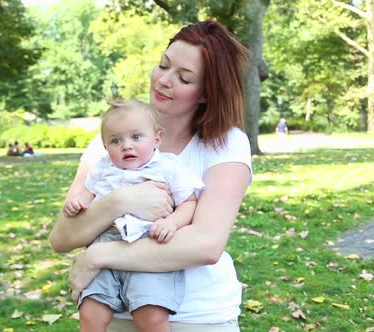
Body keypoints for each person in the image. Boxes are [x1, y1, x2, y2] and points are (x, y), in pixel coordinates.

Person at [49, 19, 252, 331]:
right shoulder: (111, 142)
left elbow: (205, 244)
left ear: (205, 94)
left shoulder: (225, 143)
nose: (164, 80)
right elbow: (62, 237)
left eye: (184, 78)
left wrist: (97, 255)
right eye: (163, 65)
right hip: (114, 314)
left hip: (197, 318)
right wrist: (123, 200)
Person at [63, 99, 204, 332]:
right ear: (106, 146)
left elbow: (189, 203)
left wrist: (172, 222)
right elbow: (87, 194)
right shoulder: (103, 167)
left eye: (136, 137)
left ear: (157, 139)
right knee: (90, 312)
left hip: (150, 246)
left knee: (151, 315)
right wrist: (77, 203)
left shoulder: (168, 167)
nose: (126, 146)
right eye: (116, 141)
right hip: (105, 240)